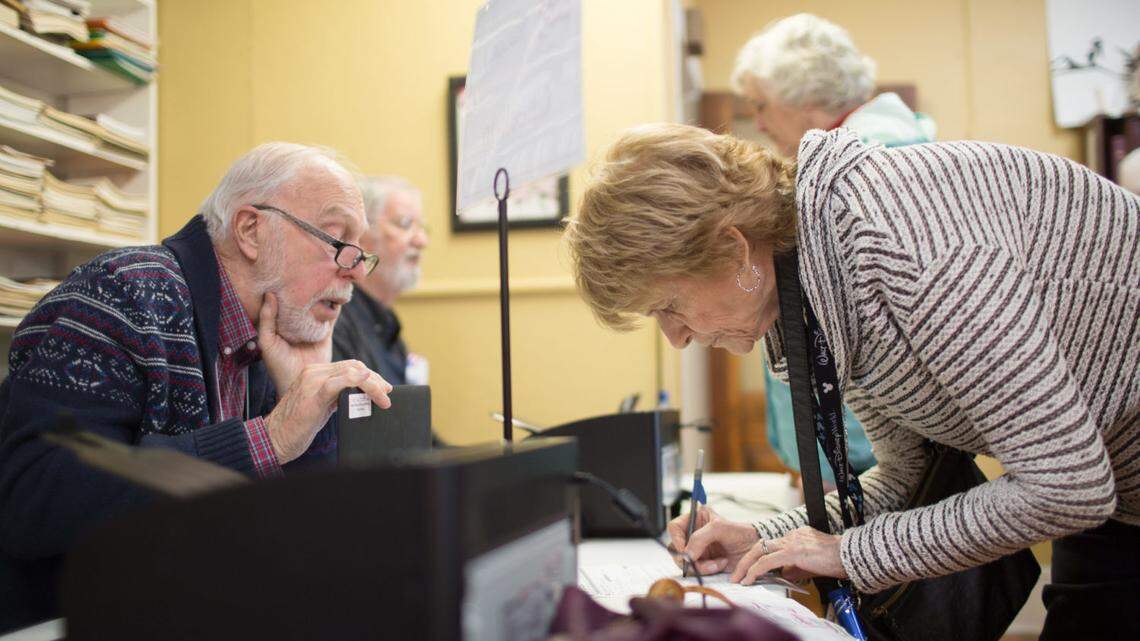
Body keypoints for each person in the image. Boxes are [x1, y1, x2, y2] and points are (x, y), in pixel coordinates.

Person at [564, 122, 1140, 638]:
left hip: (1093, 483)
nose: (677, 338)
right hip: (1112, 494)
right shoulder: (819, 283)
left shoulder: (905, 251)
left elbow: (1066, 487)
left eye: (669, 305)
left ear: (732, 248)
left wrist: (849, 553)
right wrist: (766, 538)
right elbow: (905, 479)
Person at [0, 142, 394, 631]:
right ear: (251, 230)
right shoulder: (121, 294)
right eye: (337, 241)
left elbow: (305, 542)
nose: (355, 268)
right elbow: (37, 500)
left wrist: (307, 414)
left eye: (362, 251)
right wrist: (268, 439)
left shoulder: (271, 327)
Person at [732, 13, 939, 486]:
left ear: (807, 97)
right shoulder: (892, 150)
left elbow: (844, 325)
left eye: (761, 105)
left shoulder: (858, 176)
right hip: (861, 450)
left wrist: (825, 468)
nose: (759, 122)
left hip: (868, 456)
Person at [332, 176, 429, 386]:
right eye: (405, 224)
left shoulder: (386, 322)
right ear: (360, 234)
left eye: (422, 228)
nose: (422, 241)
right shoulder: (335, 320)